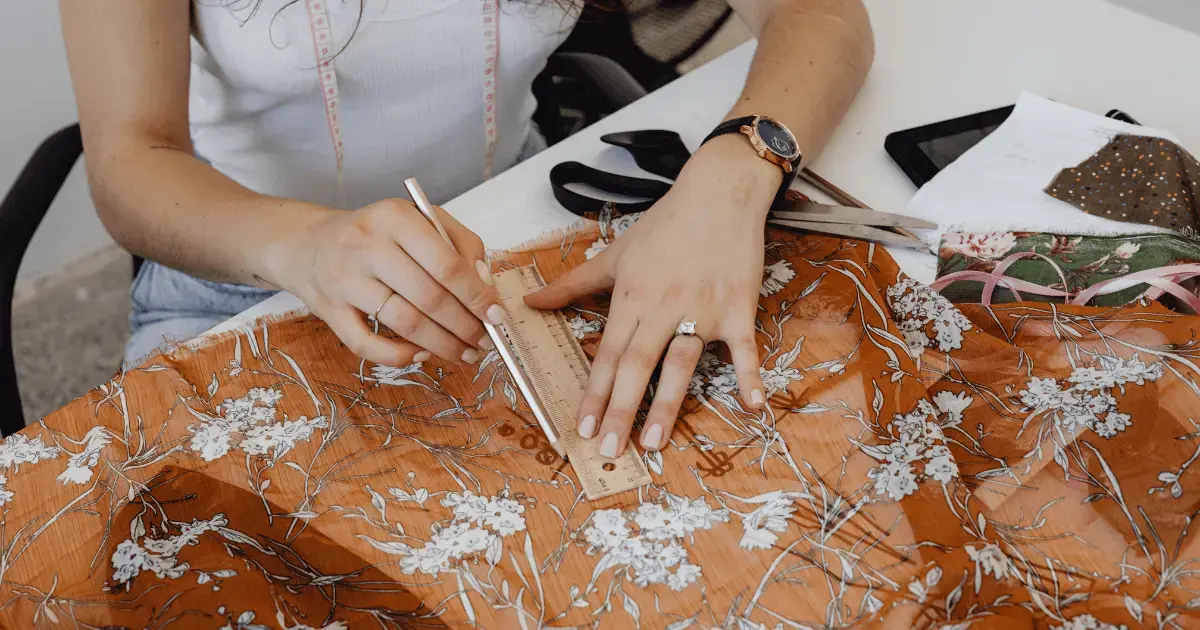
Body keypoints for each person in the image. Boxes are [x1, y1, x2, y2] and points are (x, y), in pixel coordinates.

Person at [60, 0, 873, 457]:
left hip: (511, 243)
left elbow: (824, 16)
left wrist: (730, 177)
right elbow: (130, 159)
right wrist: (305, 246)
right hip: (241, 277)